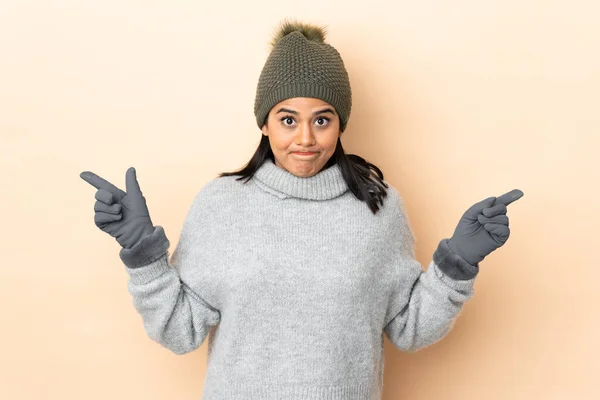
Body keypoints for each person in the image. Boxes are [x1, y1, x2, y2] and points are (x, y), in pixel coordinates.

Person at [80, 18, 524, 400]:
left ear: (340, 123)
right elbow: (180, 332)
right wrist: (143, 255)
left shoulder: (378, 207)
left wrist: (457, 265)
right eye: (288, 119)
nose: (306, 139)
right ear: (265, 123)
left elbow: (409, 329)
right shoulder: (221, 204)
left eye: (323, 119)